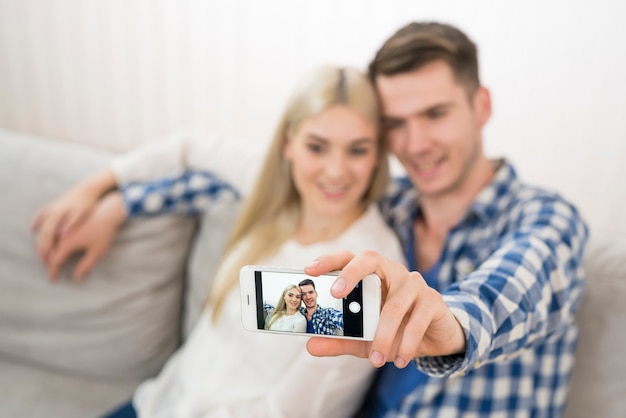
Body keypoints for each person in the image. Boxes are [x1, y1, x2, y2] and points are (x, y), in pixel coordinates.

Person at [33, 65, 405, 417]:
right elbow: (189, 148)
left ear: (377, 156)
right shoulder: (273, 191)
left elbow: (288, 412)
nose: (336, 170)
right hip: (157, 403)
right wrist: (97, 190)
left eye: (357, 149)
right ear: (288, 145)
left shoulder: (367, 268)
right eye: (317, 147)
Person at [303, 22, 589, 417]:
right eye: (396, 124)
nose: (416, 144)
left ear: (481, 106)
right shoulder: (383, 205)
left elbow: (512, 291)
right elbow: (280, 181)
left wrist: (449, 323)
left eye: (435, 114)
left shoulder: (546, 217)